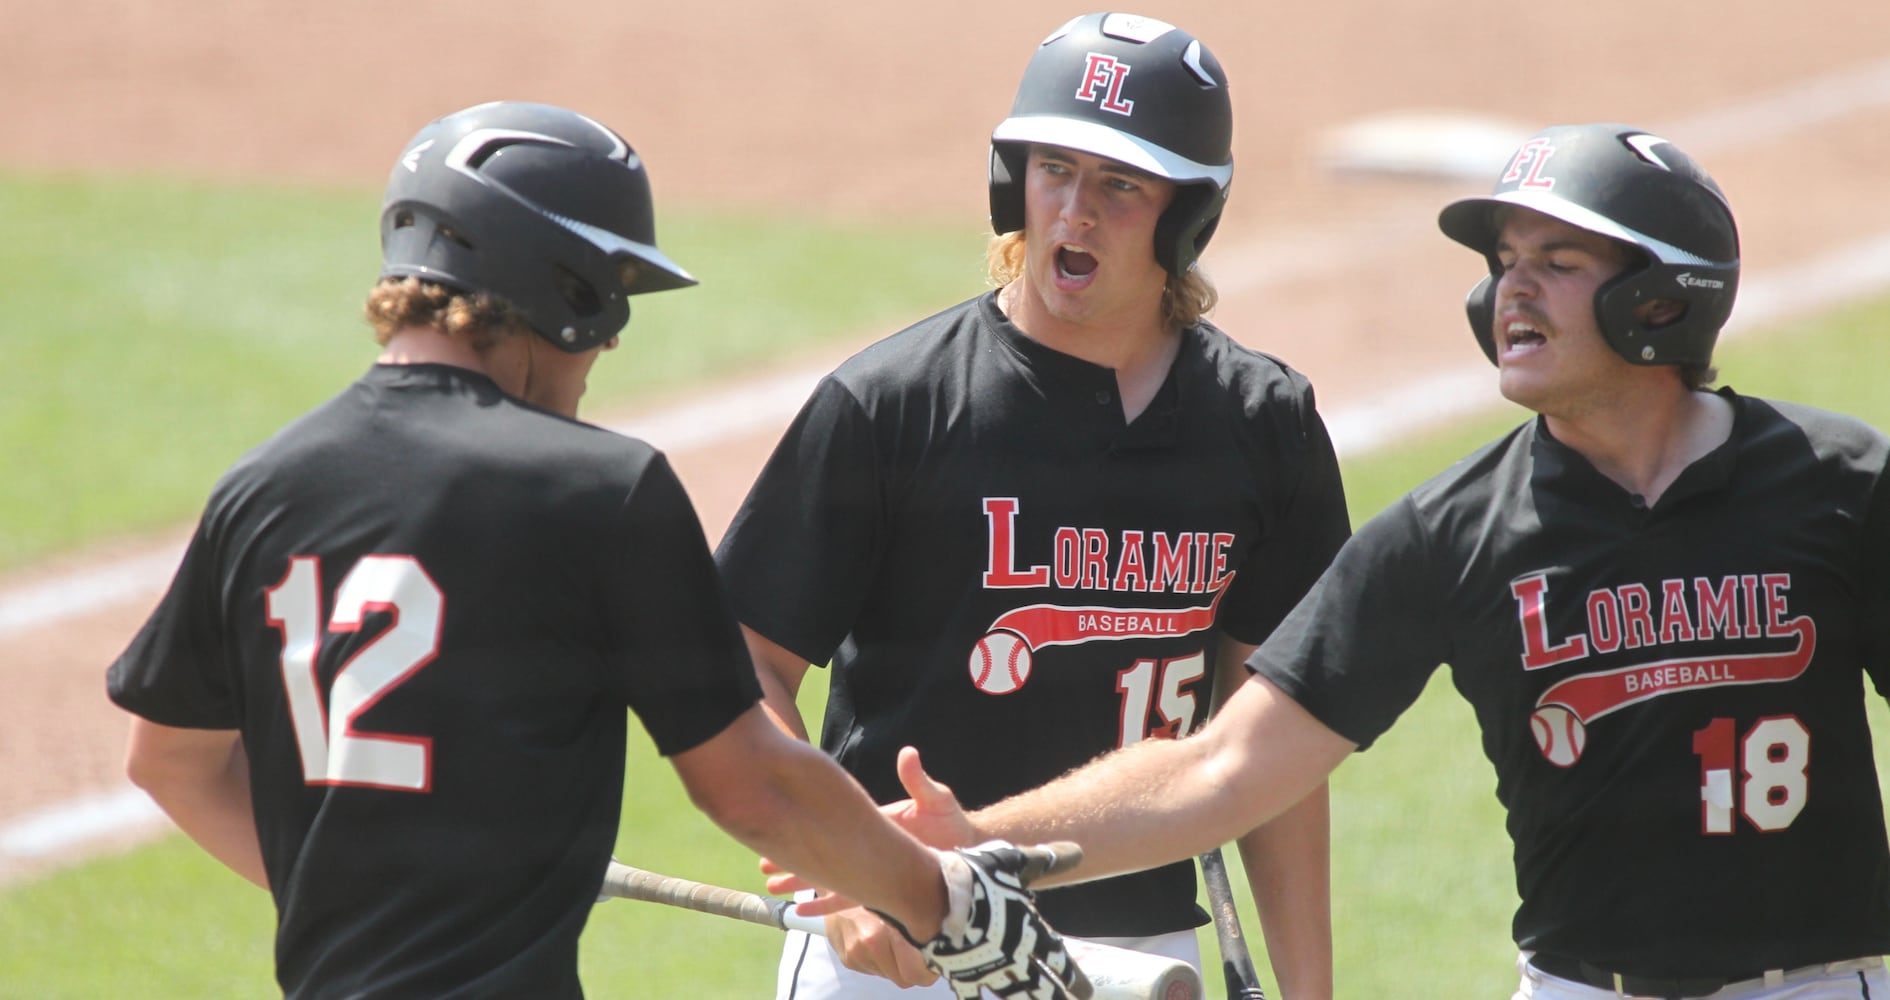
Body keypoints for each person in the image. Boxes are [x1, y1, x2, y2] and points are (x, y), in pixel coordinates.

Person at [802, 121, 1890, 999]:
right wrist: (973, 842)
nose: (1511, 291)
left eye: (1558, 265)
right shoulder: (1455, 534)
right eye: (1504, 266)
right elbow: (1223, 768)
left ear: (1662, 301)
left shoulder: (1842, 486)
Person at [105, 100, 1085, 1000]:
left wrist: (387, 898)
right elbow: (753, 784)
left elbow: (173, 762)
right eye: (612, 297)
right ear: (557, 287)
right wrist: (941, 897)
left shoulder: (262, 486)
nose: (608, 346)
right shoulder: (597, 490)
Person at [714, 12, 1350, 998]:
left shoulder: (1264, 427)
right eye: (1053, 170)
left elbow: (1274, 745)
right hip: (902, 946)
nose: (1074, 212)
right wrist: (841, 866)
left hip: (1133, 955)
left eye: (1120, 185)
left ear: (1187, 216)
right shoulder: (894, 403)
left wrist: (1310, 990)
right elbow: (744, 653)